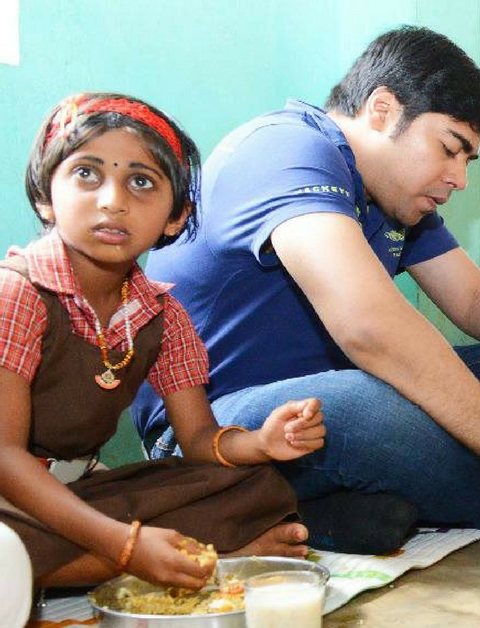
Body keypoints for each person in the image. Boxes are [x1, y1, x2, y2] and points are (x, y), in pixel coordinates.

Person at [131, 27, 480, 549]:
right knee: (361, 406)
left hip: (325, 406)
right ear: (381, 109)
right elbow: (368, 328)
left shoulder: (396, 199)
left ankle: (346, 503)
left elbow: (475, 299)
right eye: (449, 149)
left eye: (468, 160)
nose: (459, 178)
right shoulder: (284, 150)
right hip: (215, 430)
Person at [0, 93, 325, 589]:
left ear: (175, 217)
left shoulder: (162, 314)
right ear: (46, 194)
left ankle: (70, 568)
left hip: (76, 491)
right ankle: (208, 558)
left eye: (141, 181)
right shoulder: (17, 292)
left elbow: (196, 442)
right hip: (10, 491)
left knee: (258, 486)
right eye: (87, 174)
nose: (112, 200)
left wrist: (262, 442)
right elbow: (5, 457)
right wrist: (125, 546)